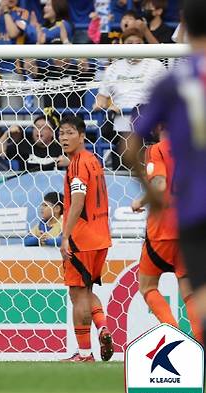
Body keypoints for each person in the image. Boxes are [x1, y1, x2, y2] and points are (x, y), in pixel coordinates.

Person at [128, 0, 206, 351]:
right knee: (193, 291)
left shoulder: (174, 84)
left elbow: (132, 149)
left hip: (177, 221)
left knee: (148, 286)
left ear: (184, 26)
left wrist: (148, 197)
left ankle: (176, 337)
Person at [130, 131, 202, 343]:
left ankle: (175, 337)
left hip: (162, 230)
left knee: (147, 286)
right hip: (189, 229)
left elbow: (159, 184)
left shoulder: (157, 150)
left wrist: (140, 201)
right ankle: (201, 346)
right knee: (189, 293)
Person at [58, 116, 113, 363]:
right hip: (100, 237)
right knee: (86, 291)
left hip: (82, 239)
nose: (64, 138)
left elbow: (78, 201)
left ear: (82, 136)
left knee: (77, 295)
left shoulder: (78, 165)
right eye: (61, 133)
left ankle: (84, 354)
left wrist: (66, 236)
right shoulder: (92, 161)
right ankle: (103, 328)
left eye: (70, 133)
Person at [94, 28, 166, 168]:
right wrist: (102, 105)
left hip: (147, 127)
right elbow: (101, 97)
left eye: (138, 43)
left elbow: (165, 96)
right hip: (119, 129)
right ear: (123, 44)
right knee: (122, 169)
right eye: (130, 43)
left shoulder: (155, 66)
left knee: (148, 169)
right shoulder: (114, 68)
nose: (134, 46)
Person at [0, 112, 68, 172]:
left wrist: (69, 163)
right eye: (36, 127)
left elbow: (75, 161)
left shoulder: (60, 148)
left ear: (52, 132)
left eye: (43, 127)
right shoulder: (25, 146)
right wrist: (7, 134)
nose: (39, 130)